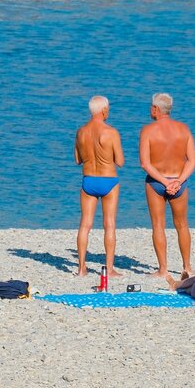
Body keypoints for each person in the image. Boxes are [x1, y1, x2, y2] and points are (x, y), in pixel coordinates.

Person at [139, 93, 195, 279]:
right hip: (178, 181)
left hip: (157, 181)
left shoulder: (147, 131)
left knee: (158, 225)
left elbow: (145, 164)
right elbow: (192, 161)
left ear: (156, 109)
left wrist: (165, 182)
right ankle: (187, 267)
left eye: (151, 106)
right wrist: (178, 181)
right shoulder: (183, 129)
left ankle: (163, 269)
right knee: (182, 225)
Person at [75, 95, 124, 277]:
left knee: (85, 224)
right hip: (108, 180)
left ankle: (81, 268)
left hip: (88, 180)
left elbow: (77, 159)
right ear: (104, 110)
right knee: (109, 224)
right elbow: (120, 161)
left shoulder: (81, 132)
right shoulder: (111, 132)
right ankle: (109, 269)